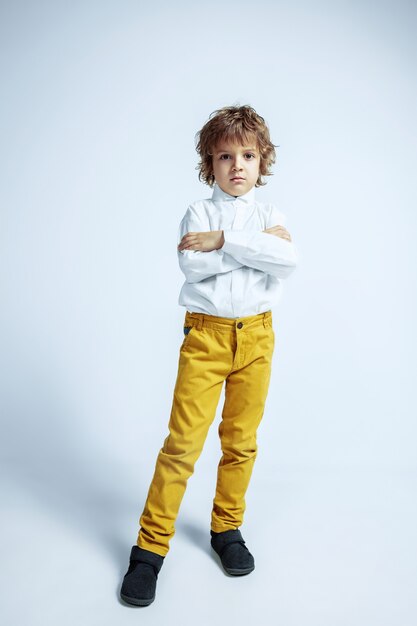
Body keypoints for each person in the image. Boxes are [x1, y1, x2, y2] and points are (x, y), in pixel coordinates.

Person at [120, 104, 299, 606]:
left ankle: (227, 529)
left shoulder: (272, 215)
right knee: (182, 446)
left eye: (247, 155)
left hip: (258, 339)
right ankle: (149, 550)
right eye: (225, 156)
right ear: (210, 164)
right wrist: (253, 247)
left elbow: (288, 261)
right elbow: (193, 269)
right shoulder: (197, 213)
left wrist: (225, 241)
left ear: (263, 161)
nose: (237, 165)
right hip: (207, 339)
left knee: (241, 441)